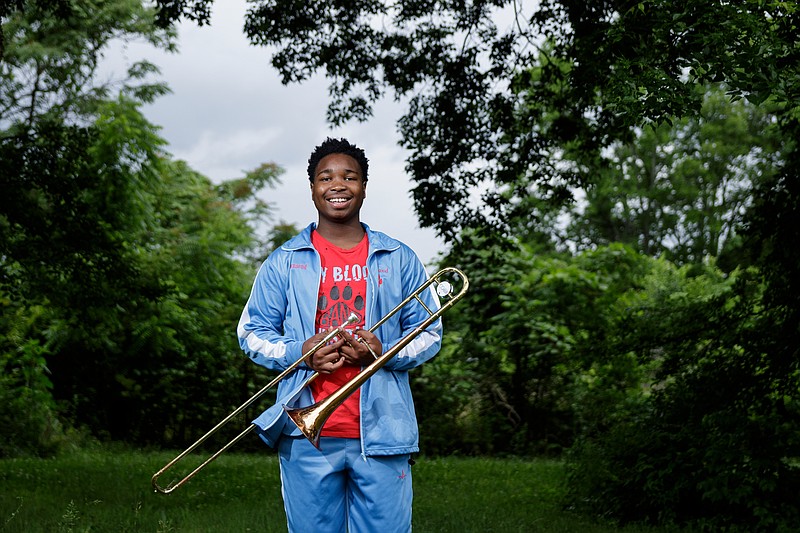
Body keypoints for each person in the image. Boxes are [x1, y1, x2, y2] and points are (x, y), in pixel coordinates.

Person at [237, 137, 442, 532]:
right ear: (312, 187)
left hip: (382, 433)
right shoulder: (284, 261)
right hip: (306, 433)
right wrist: (300, 352)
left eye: (350, 177)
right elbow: (251, 332)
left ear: (364, 186)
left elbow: (429, 333)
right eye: (325, 177)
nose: (337, 185)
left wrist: (387, 352)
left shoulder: (399, 257)